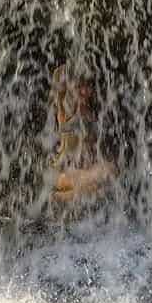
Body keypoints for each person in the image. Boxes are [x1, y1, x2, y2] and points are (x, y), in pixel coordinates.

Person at [50, 64, 116, 202]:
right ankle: (57, 198)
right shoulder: (65, 112)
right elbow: (57, 76)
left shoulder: (94, 114)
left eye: (87, 86)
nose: (84, 91)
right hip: (63, 176)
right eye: (79, 86)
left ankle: (59, 199)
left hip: (82, 173)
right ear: (71, 87)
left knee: (102, 187)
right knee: (108, 172)